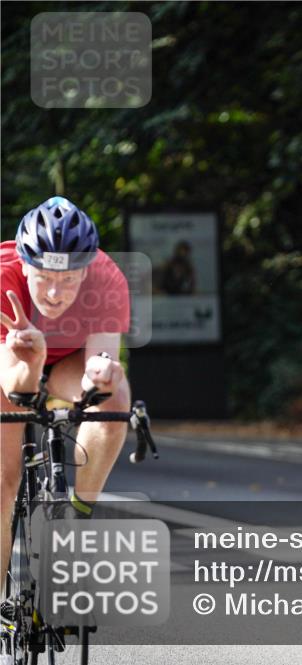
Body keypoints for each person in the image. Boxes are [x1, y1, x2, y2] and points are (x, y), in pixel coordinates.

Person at [1, 196, 132, 606]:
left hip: (69, 359)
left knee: (114, 398)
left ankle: (79, 515)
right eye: (42, 277)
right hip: (12, 360)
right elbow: (16, 387)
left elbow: (102, 356)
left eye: (70, 280)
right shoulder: (3, 276)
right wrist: (30, 360)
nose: (55, 293)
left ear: (87, 270)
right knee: (3, 483)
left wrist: (102, 372)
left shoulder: (107, 278)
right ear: (23, 264)